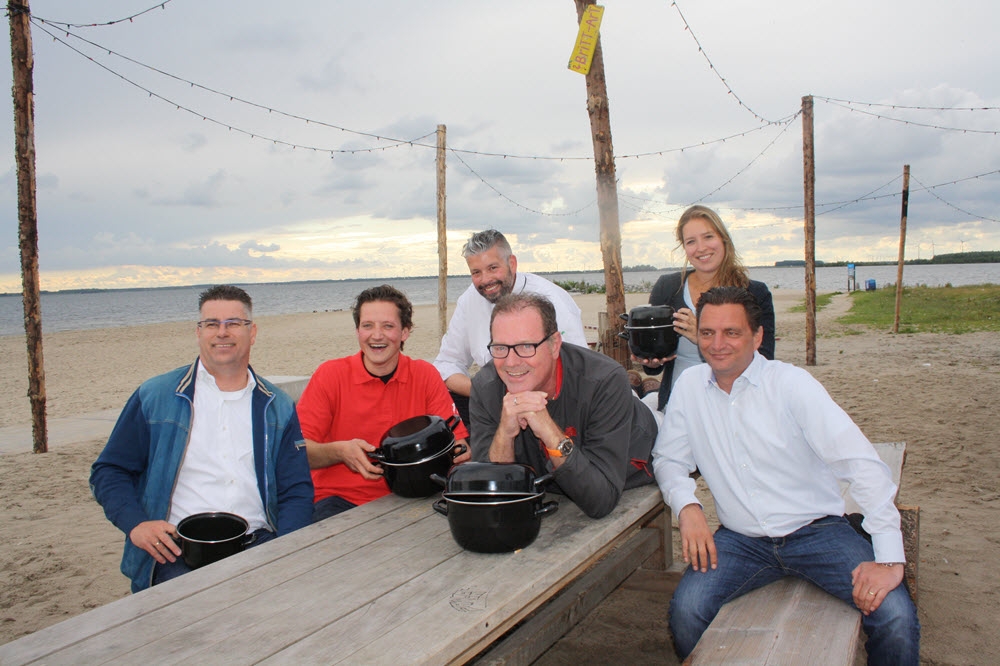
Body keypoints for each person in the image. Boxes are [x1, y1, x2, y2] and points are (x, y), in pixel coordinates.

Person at [652, 286, 919, 663]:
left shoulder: (792, 385)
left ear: (757, 337)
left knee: (895, 615)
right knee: (687, 611)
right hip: (741, 540)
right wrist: (688, 507)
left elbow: (862, 464)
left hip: (817, 532)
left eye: (732, 332)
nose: (717, 344)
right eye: (708, 332)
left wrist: (890, 558)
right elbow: (667, 459)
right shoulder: (690, 387)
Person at [90, 285, 314, 593]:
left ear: (253, 331)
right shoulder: (156, 396)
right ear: (199, 332)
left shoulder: (277, 405)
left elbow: (296, 488)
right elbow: (110, 470)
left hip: (260, 545)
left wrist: (285, 549)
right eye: (212, 324)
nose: (222, 332)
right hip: (177, 554)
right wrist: (136, 524)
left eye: (234, 323)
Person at [469, 293, 657, 519]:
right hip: (555, 483)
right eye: (500, 348)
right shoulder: (486, 386)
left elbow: (600, 501)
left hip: (637, 455)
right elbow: (488, 492)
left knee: (653, 404)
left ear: (554, 345)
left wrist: (548, 430)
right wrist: (505, 433)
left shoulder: (604, 381)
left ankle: (647, 392)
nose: (511, 362)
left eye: (526, 346)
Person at [297, 284, 469, 521]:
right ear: (358, 331)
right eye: (368, 326)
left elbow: (457, 441)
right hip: (342, 500)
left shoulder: (425, 374)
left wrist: (457, 454)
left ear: (405, 332)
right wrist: (340, 452)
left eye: (388, 326)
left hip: (417, 494)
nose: (376, 335)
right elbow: (298, 451)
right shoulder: (330, 375)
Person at [433, 229, 588, 428]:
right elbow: (447, 363)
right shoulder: (469, 301)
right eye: (476, 272)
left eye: (492, 268)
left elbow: (579, 369)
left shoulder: (552, 299)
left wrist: (526, 400)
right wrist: (486, 393)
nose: (485, 279)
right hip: (495, 406)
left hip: (553, 405)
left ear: (512, 264)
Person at [641, 205, 775, 410]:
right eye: (691, 242)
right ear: (684, 248)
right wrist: (651, 360)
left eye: (708, 237)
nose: (701, 248)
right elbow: (655, 363)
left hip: (737, 404)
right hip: (679, 404)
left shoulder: (755, 293)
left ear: (723, 239)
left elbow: (764, 361)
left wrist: (702, 336)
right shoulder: (668, 288)